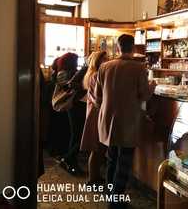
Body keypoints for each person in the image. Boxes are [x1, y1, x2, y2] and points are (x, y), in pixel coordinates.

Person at [94, 34, 156, 209]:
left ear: (118, 47)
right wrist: (153, 85)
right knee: (125, 160)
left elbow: (97, 97)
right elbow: (144, 95)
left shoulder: (104, 66)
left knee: (112, 157)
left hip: (107, 120)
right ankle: (116, 202)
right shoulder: (138, 68)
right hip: (128, 120)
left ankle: (110, 195)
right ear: (134, 48)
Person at [55, 52, 86, 175]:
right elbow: (70, 86)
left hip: (74, 106)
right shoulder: (64, 73)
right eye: (75, 60)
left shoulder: (64, 72)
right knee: (78, 135)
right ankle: (68, 159)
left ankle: (70, 160)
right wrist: (84, 85)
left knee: (76, 134)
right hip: (73, 106)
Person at [80, 51, 108, 185]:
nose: (107, 61)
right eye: (105, 59)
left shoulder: (90, 74)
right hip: (97, 114)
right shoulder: (97, 75)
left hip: (93, 112)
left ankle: (94, 177)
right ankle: (92, 179)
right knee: (97, 149)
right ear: (98, 61)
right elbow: (99, 98)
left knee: (97, 148)